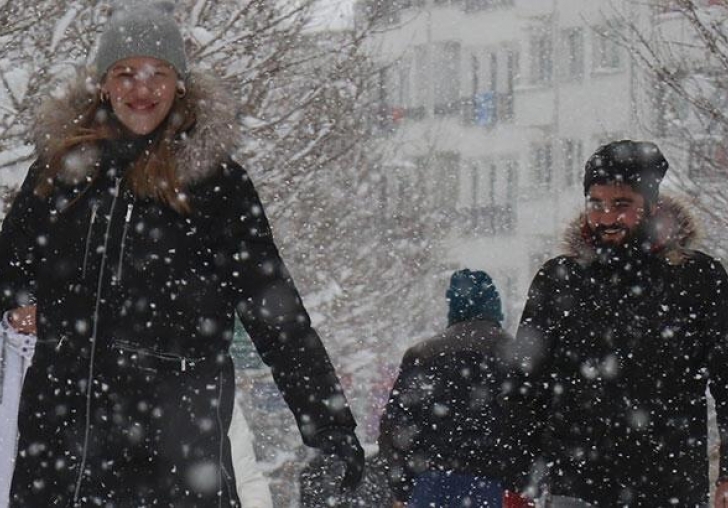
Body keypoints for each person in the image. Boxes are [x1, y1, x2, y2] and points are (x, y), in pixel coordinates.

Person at [0, 2, 364, 506]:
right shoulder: (62, 171)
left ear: (180, 83)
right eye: (125, 73)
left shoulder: (216, 185)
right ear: (104, 84)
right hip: (64, 451)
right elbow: (11, 258)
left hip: (173, 453)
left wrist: (332, 434)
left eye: (158, 73)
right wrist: (17, 296)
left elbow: (278, 318)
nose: (142, 90)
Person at [515, 139, 728, 507]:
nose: (606, 218)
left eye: (622, 205)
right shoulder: (558, 279)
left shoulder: (698, 279)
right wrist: (520, 479)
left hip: (669, 488)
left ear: (652, 205)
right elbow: (525, 388)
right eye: (596, 204)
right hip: (575, 488)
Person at [379, 269, 534, 508]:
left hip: (430, 482)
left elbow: (395, 426)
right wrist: (522, 483)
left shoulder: (421, 355)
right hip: (494, 483)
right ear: (494, 306)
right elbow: (527, 423)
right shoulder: (514, 356)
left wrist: (402, 488)